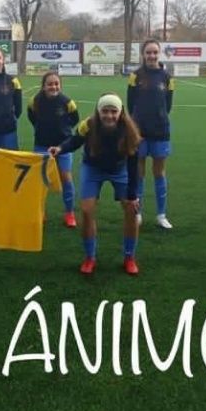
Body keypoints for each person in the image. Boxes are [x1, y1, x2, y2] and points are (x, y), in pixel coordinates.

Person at [49, 93, 142, 275]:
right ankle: (90, 257)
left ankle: (129, 257)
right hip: (92, 168)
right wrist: (60, 148)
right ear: (98, 112)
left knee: (132, 210)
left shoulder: (129, 129)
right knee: (86, 210)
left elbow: (133, 165)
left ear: (120, 112)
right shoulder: (89, 124)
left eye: (113, 111)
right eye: (105, 111)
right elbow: (75, 140)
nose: (109, 115)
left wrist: (132, 195)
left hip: (119, 169)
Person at [128, 39, 174, 229]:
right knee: (139, 172)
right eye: (148, 52)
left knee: (159, 172)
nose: (152, 56)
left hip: (160, 130)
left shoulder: (167, 77)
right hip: (139, 131)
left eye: (155, 52)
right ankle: (137, 213)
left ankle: (161, 214)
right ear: (143, 54)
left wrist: (158, 117)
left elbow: (168, 104)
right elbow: (130, 103)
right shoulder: (135, 76)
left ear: (159, 53)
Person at [28, 71, 79, 228]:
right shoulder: (35, 101)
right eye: (49, 84)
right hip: (42, 145)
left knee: (66, 178)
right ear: (43, 86)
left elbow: (74, 119)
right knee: (41, 180)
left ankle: (69, 213)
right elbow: (32, 117)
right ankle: (40, 211)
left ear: (60, 85)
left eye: (56, 84)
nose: (53, 87)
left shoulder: (67, 102)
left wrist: (63, 131)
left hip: (63, 146)